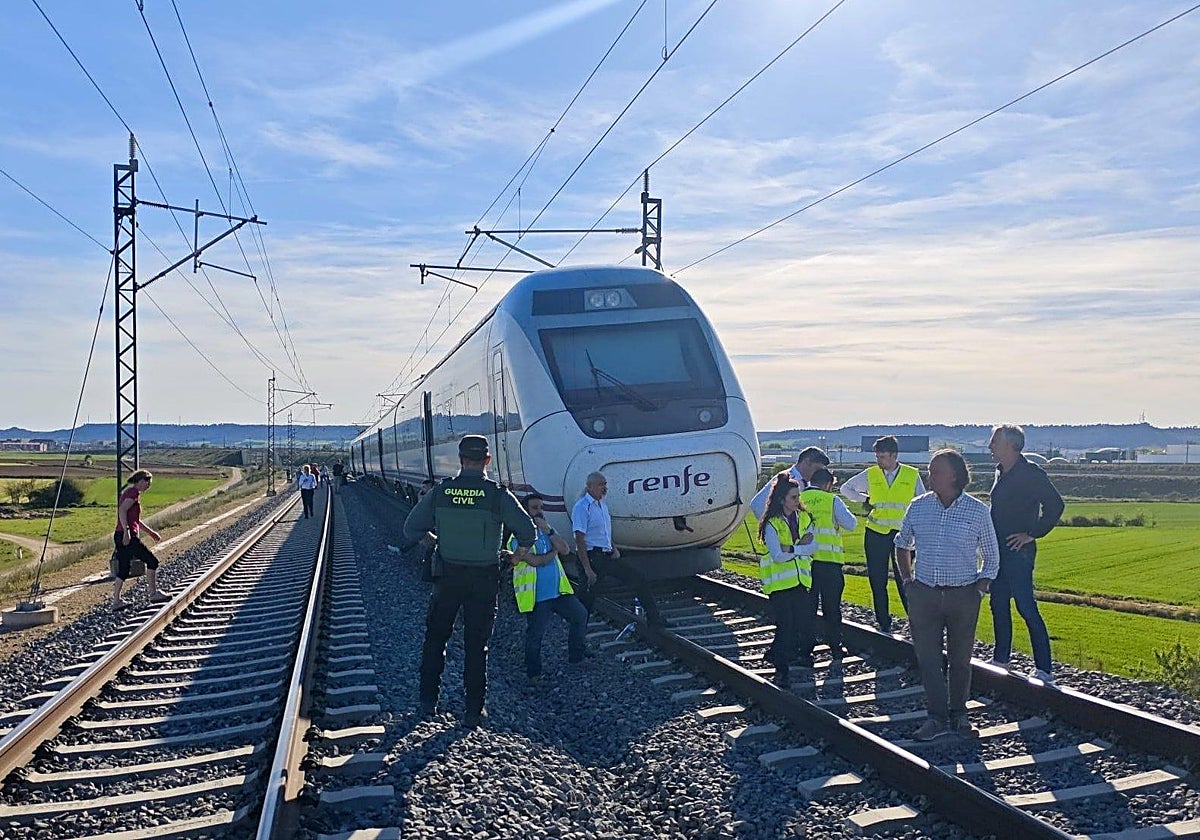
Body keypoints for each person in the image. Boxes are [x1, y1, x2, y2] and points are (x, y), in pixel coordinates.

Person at [403, 435, 535, 727]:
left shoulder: (442, 491)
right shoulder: (498, 495)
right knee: (477, 645)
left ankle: (427, 703)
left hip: (447, 576)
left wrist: (434, 541)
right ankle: (473, 711)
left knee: (436, 639)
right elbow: (528, 532)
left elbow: (411, 529)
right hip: (484, 579)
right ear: (487, 460)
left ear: (460, 460)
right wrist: (514, 557)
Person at [895, 449, 1000, 740]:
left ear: (955, 475)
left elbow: (992, 557)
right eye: (930, 470)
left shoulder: (977, 511)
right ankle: (936, 718)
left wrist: (979, 590)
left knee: (961, 659)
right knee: (928, 659)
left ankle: (959, 715)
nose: (931, 476)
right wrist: (908, 581)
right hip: (925, 594)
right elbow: (902, 544)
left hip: (963, 595)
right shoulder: (918, 507)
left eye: (936, 471)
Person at [987, 424, 1065, 684]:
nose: (990, 446)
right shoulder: (1000, 472)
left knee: (1025, 605)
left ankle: (1044, 668)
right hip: (998, 549)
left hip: (1019, 551)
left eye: (994, 441)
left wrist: (1032, 533)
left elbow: (1055, 505)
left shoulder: (1031, 474)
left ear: (1010, 445)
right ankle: (1001, 659)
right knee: (998, 602)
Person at [840, 435, 926, 632]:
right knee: (877, 580)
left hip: (903, 536)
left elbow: (922, 502)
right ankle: (883, 622)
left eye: (883, 457)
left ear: (894, 455)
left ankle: (915, 622)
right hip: (876, 532)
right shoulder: (871, 474)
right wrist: (865, 499)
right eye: (877, 457)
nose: (879, 461)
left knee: (906, 580)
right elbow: (846, 489)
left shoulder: (912, 475)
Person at [509, 493, 590, 683]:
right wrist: (553, 553)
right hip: (537, 596)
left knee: (580, 615)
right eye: (535, 508)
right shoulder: (517, 537)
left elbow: (565, 549)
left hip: (558, 591)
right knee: (535, 634)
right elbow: (535, 561)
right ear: (525, 512)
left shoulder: (547, 530)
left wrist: (550, 533)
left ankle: (576, 658)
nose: (540, 511)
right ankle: (534, 673)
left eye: (541, 507)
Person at [572, 471, 667, 628]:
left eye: (605, 484)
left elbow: (603, 532)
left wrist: (613, 548)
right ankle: (577, 641)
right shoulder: (582, 507)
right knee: (586, 602)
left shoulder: (602, 505)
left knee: (638, 578)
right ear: (589, 486)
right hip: (591, 558)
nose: (604, 488)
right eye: (601, 484)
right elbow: (579, 539)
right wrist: (587, 569)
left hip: (606, 556)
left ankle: (655, 619)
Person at [757, 475, 817, 686]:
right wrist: (799, 548)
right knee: (785, 626)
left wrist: (791, 548)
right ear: (782, 499)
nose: (797, 500)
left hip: (801, 581)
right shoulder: (771, 524)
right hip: (779, 584)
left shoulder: (805, 518)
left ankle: (775, 655)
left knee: (800, 624)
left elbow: (812, 547)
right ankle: (782, 670)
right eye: (793, 497)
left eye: (798, 496)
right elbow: (777, 555)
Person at [801, 468, 858, 656]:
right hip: (830, 563)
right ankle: (835, 646)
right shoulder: (831, 500)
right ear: (827, 484)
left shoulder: (798, 498)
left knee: (807, 608)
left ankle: (806, 647)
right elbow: (851, 524)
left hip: (804, 563)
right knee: (831, 608)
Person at [112, 469, 168, 610]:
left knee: (124, 568)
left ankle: (116, 601)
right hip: (127, 536)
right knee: (152, 561)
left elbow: (136, 520)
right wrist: (127, 531)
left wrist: (151, 533)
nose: (149, 486)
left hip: (122, 534)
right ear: (142, 481)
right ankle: (153, 593)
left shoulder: (130, 493)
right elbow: (122, 510)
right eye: (148, 482)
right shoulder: (133, 493)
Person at [750, 446, 830, 520]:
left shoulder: (808, 483)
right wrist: (775, 527)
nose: (818, 473)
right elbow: (757, 504)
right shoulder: (785, 478)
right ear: (807, 462)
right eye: (817, 468)